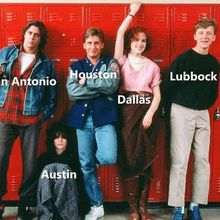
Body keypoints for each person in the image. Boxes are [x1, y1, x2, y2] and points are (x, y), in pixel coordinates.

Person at [0, 20, 56, 220]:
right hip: (6, 115)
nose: (32, 37)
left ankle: (26, 203)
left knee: (30, 164)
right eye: (30, 33)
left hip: (31, 118)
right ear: (24, 34)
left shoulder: (45, 63)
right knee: (0, 161)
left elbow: (52, 95)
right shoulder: (6, 53)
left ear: (41, 40)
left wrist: (43, 116)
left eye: (37, 35)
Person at [162, 18, 219, 220]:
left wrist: (204, 106)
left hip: (203, 113)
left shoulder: (213, 63)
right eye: (201, 33)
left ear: (214, 37)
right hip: (182, 111)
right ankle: (178, 207)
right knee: (179, 161)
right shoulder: (183, 59)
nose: (205, 36)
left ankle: (195, 205)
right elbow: (167, 86)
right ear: (195, 36)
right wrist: (170, 109)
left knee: (203, 160)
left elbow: (213, 89)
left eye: (209, 33)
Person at [66, 27, 120, 220]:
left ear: (102, 45)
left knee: (107, 157)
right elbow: (73, 93)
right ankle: (96, 205)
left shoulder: (110, 63)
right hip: (82, 120)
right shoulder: (75, 67)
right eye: (89, 43)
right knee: (86, 166)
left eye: (96, 42)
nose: (93, 46)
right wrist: (100, 88)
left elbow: (112, 86)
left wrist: (86, 82)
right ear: (84, 45)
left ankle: (96, 201)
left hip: (104, 118)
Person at [114, 1, 161, 220]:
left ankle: (143, 207)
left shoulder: (153, 66)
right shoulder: (121, 60)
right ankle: (132, 208)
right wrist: (132, 13)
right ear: (129, 42)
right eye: (136, 40)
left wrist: (151, 113)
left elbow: (157, 94)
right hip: (127, 112)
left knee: (146, 158)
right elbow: (120, 31)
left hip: (147, 113)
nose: (140, 43)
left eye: (143, 41)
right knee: (130, 158)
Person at [37, 122, 89, 220]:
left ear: (68, 140)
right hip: (49, 199)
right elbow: (40, 186)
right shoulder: (43, 159)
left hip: (69, 200)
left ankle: (61, 212)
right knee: (47, 169)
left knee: (64, 169)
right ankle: (49, 212)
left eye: (63, 137)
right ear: (52, 140)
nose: (60, 140)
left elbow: (79, 186)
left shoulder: (75, 160)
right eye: (57, 137)